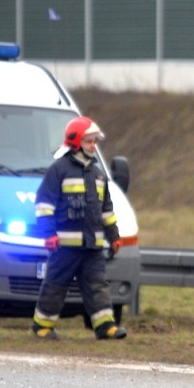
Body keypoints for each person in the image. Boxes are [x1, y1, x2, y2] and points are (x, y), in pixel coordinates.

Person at [32, 116, 126, 341]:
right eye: (89, 141)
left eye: (95, 141)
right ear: (75, 142)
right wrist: (49, 235)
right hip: (64, 246)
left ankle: (106, 327)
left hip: (92, 246)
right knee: (55, 285)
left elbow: (107, 211)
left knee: (97, 286)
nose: (93, 146)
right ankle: (42, 326)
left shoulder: (98, 175)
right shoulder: (58, 170)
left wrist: (114, 237)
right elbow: (44, 206)